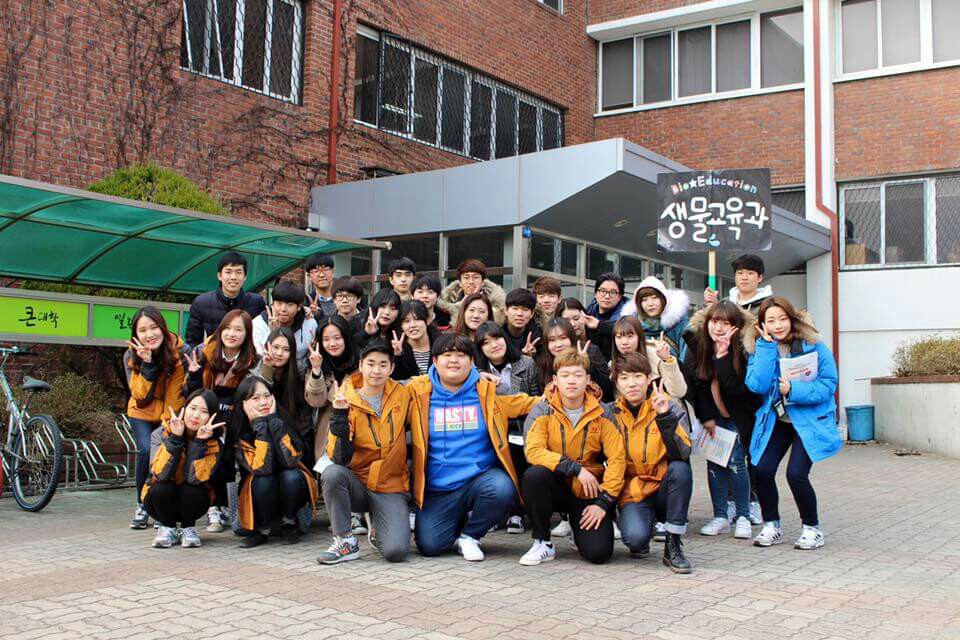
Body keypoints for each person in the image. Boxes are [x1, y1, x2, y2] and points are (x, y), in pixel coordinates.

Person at [407, 333, 539, 561]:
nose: (454, 360)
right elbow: (384, 393)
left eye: (461, 355)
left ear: (471, 361)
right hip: (438, 489)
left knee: (502, 488)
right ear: (435, 361)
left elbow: (529, 402)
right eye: (447, 355)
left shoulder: (488, 391)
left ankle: (470, 535)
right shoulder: (416, 393)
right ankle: (455, 521)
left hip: (480, 480)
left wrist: (573, 393)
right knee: (430, 546)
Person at [745, 297, 841, 550]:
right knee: (762, 469)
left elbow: (829, 384)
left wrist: (794, 390)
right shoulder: (759, 348)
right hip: (778, 419)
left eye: (782, 319)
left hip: (807, 420)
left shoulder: (813, 345)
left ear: (792, 319)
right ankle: (771, 525)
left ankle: (812, 528)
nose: (778, 325)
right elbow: (757, 385)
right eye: (771, 320)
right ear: (762, 325)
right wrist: (766, 348)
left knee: (796, 473)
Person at [520, 348, 626, 566]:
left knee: (599, 553)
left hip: (587, 488)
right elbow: (533, 451)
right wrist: (576, 469)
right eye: (565, 375)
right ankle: (542, 542)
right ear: (555, 380)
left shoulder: (603, 412)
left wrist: (603, 503)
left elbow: (618, 460)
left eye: (578, 375)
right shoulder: (542, 410)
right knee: (534, 475)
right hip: (555, 483)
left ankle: (578, 531)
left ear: (587, 379)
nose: (571, 381)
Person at [318, 341, 413, 564]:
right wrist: (339, 417)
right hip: (358, 484)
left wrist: (479, 376)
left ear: (391, 368)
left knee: (396, 552)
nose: (376, 370)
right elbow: (339, 458)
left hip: (390, 485)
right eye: (370, 364)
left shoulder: (403, 393)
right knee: (332, 473)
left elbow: (434, 379)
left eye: (383, 365)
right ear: (361, 365)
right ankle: (345, 541)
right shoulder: (346, 398)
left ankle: (379, 527)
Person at [608, 352, 693, 573]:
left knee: (681, 469)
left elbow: (682, 453)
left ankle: (673, 545)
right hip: (634, 491)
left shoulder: (668, 406)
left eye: (637, 376)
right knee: (635, 540)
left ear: (649, 379)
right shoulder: (609, 413)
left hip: (664, 487)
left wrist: (664, 417)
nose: (632, 383)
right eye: (624, 378)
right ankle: (641, 523)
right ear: (616, 382)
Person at [684, 301, 761, 539]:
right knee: (714, 463)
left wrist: (723, 356)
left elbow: (737, 390)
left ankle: (743, 515)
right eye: (715, 321)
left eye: (726, 323)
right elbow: (696, 386)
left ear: (736, 326)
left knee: (737, 462)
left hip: (738, 416)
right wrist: (706, 417)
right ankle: (720, 516)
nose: (718, 328)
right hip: (713, 417)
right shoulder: (698, 346)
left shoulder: (745, 349)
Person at [183, 309, 259, 533]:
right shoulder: (204, 353)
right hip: (209, 416)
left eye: (238, 330)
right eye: (227, 328)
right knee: (212, 457)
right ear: (220, 330)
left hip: (238, 418)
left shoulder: (253, 360)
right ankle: (213, 507)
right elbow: (193, 395)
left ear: (247, 334)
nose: (232, 334)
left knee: (230, 460)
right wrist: (194, 375)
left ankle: (231, 506)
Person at [232, 375, 318, 548]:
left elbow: (290, 461)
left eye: (266, 396)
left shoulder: (283, 421)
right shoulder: (240, 433)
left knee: (292, 476)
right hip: (259, 493)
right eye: (255, 398)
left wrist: (273, 423)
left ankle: (289, 522)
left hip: (289, 490)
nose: (264, 402)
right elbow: (261, 468)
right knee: (264, 480)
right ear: (244, 404)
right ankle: (262, 529)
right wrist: (260, 426)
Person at [125, 306, 188, 530]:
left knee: (163, 449)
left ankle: (158, 505)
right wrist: (148, 365)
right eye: (142, 330)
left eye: (153, 328)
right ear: (136, 334)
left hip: (167, 411)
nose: (149, 334)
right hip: (141, 411)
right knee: (145, 450)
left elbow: (175, 396)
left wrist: (168, 424)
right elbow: (139, 395)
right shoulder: (131, 354)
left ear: (162, 327)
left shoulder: (179, 352)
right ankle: (142, 504)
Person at [142, 390, 224, 548]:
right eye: (193, 408)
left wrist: (199, 443)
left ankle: (188, 528)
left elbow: (194, 478)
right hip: (158, 500)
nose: (196, 415)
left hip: (193, 502)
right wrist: (175, 438)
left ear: (211, 417)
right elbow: (160, 474)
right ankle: (167, 528)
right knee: (162, 486)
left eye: (204, 411)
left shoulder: (214, 443)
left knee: (192, 489)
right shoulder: (161, 433)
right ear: (184, 409)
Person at [255, 327, 326, 468]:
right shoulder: (254, 371)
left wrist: (316, 369)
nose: (279, 353)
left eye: (286, 349)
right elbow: (261, 401)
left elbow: (312, 407)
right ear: (267, 346)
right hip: (264, 442)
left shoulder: (299, 374)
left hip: (294, 444)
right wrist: (267, 369)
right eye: (275, 347)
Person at [185, 252, 266, 348]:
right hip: (213, 355)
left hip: (245, 356)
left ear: (245, 276)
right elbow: (193, 341)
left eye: (239, 272)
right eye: (228, 272)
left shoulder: (256, 302)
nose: (233, 277)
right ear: (219, 276)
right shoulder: (202, 302)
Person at [310, 315, 359, 463]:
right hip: (328, 430)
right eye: (326, 339)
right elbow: (316, 401)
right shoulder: (316, 362)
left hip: (358, 427)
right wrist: (316, 371)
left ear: (346, 337)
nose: (332, 344)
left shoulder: (361, 364)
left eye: (337, 338)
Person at [535, 318, 613, 401]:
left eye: (563, 338)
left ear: (571, 338)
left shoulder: (590, 351)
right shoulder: (544, 364)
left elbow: (607, 388)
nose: (558, 344)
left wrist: (587, 364)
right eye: (552, 340)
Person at [610, 315, 687, 399]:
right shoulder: (612, 365)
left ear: (639, 337)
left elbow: (679, 392)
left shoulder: (656, 355)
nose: (624, 342)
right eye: (619, 337)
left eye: (630, 336)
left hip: (664, 404)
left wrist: (667, 359)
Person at [252, 279, 317, 374]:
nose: (283, 309)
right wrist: (273, 334)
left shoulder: (309, 324)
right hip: (264, 374)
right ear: (272, 303)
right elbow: (258, 358)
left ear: (299, 307)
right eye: (279, 303)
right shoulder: (258, 324)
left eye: (290, 304)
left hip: (296, 376)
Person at [623, 276, 690, 362]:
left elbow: (686, 360)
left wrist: (668, 359)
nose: (650, 304)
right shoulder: (632, 326)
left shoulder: (680, 323)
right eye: (644, 300)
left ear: (664, 299)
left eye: (654, 298)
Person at [475, 322, 541, 396]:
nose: (494, 345)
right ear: (480, 349)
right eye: (486, 343)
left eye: (497, 338)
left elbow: (537, 399)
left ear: (505, 338)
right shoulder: (476, 372)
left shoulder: (527, 364)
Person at [437, 259, 506, 326]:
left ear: (483, 282)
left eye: (476, 277)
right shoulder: (445, 305)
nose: (471, 282)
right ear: (460, 283)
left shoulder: (497, 305)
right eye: (466, 277)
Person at [704, 254, 773, 314]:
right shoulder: (724, 304)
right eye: (740, 273)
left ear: (760, 278)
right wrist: (711, 307)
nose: (744, 277)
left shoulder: (769, 306)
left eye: (750, 273)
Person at [391, 300, 437, 380]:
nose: (412, 325)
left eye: (417, 319)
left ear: (427, 320)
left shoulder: (441, 344)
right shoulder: (396, 346)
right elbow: (395, 381)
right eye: (406, 321)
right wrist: (397, 356)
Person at [502, 288, 542, 357]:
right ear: (506, 311)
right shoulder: (496, 333)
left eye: (525, 309)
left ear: (532, 314)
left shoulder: (539, 335)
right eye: (515, 308)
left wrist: (534, 356)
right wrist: (522, 356)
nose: (519, 314)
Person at [304, 253, 337, 322]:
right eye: (316, 271)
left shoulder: (346, 297)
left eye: (326, 270)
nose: (321, 275)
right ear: (309, 276)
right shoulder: (306, 302)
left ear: (333, 271)